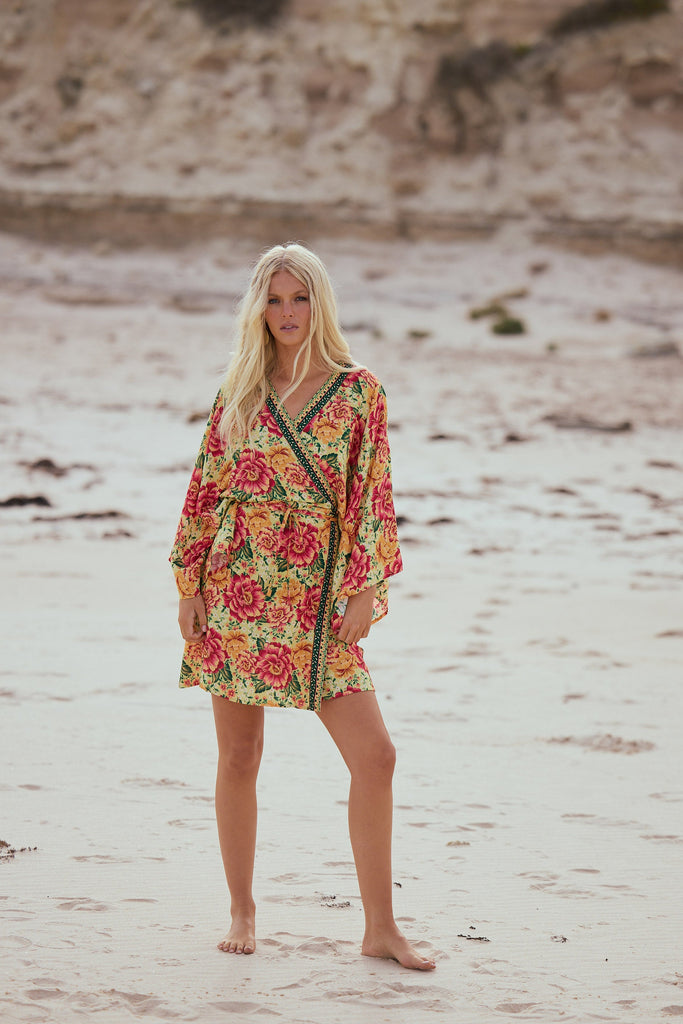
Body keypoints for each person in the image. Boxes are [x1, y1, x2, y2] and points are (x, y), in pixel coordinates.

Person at [170, 242, 435, 971]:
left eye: (300, 298)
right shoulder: (240, 392)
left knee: (375, 756)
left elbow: (372, 496)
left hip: (319, 600)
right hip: (237, 587)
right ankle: (242, 909)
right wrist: (189, 585)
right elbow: (205, 490)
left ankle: (380, 928)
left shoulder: (358, 392)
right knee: (240, 755)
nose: (288, 313)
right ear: (259, 307)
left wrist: (366, 585)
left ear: (320, 304)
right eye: (276, 299)